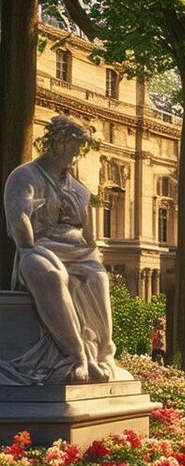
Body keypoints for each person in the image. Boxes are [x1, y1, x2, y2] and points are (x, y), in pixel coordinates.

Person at [1, 115, 122, 384]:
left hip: (78, 254)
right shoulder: (25, 175)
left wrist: (89, 243)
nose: (77, 156)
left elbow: (89, 234)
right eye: (75, 148)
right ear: (59, 142)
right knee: (50, 275)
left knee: (98, 277)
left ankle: (103, 352)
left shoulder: (77, 187)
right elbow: (17, 217)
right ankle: (77, 355)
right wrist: (29, 245)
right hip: (38, 249)